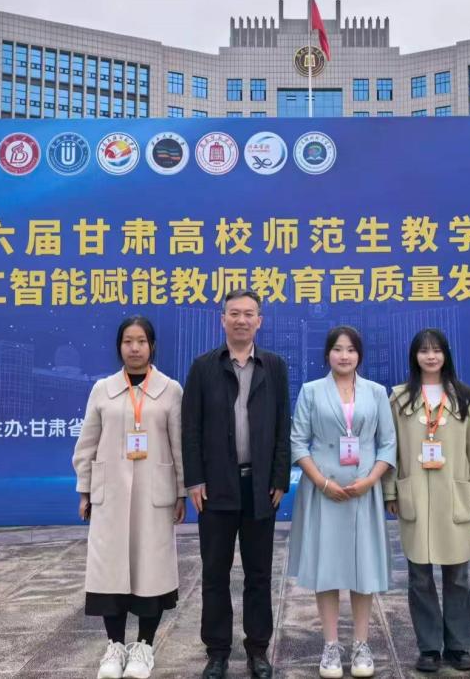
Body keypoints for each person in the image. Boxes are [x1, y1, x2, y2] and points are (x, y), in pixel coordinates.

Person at [182, 289, 291, 679]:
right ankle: (217, 652)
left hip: (260, 487)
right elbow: (190, 428)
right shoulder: (203, 367)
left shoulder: (274, 366)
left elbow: (283, 426)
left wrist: (280, 479)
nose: (241, 320)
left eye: (249, 314)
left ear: (259, 321)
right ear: (223, 319)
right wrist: (194, 479)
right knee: (215, 573)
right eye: (234, 313)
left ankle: (258, 649)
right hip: (216, 487)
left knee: (259, 574)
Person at [72, 315, 186, 679]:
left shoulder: (170, 390)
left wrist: (181, 492)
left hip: (155, 495)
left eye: (141, 342)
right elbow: (87, 444)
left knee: (151, 569)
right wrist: (85, 489)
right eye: (127, 342)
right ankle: (115, 647)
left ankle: (144, 647)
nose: (134, 348)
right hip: (111, 496)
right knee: (110, 570)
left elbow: (179, 446)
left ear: (152, 346)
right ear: (119, 347)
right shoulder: (102, 390)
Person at [288, 326, 396, 678]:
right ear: (327, 354)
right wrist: (321, 482)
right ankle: (331, 645)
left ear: (359, 355)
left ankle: (362, 644)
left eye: (350, 349)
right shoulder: (311, 391)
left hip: (363, 490)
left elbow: (388, 443)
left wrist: (371, 479)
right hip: (324, 491)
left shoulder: (376, 392)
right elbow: (298, 442)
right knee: (328, 568)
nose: (344, 355)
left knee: (364, 567)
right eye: (337, 349)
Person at [383, 328, 470, 674]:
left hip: (454, 498)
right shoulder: (399, 399)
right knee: (419, 577)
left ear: (446, 355)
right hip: (414, 497)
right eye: (424, 351)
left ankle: (458, 646)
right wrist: (391, 491)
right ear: (414, 356)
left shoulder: (464, 397)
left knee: (457, 577)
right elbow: (391, 450)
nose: (431, 356)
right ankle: (429, 648)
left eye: (437, 350)